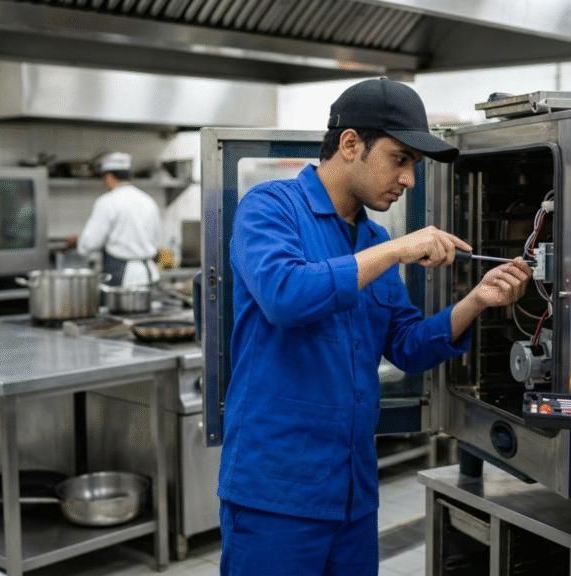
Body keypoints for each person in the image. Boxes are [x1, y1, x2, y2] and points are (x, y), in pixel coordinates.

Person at [219, 78, 532, 576]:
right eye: (400, 158)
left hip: (353, 493)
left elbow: (406, 345)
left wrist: (477, 300)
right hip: (277, 491)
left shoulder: (371, 236)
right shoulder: (271, 208)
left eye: (414, 166)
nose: (408, 178)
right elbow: (285, 295)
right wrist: (396, 250)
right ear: (350, 145)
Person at [66, 152, 161, 287]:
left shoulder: (107, 201)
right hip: (150, 275)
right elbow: (156, 239)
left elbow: (90, 243)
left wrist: (78, 242)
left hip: (122, 278)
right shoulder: (148, 200)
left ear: (109, 176)